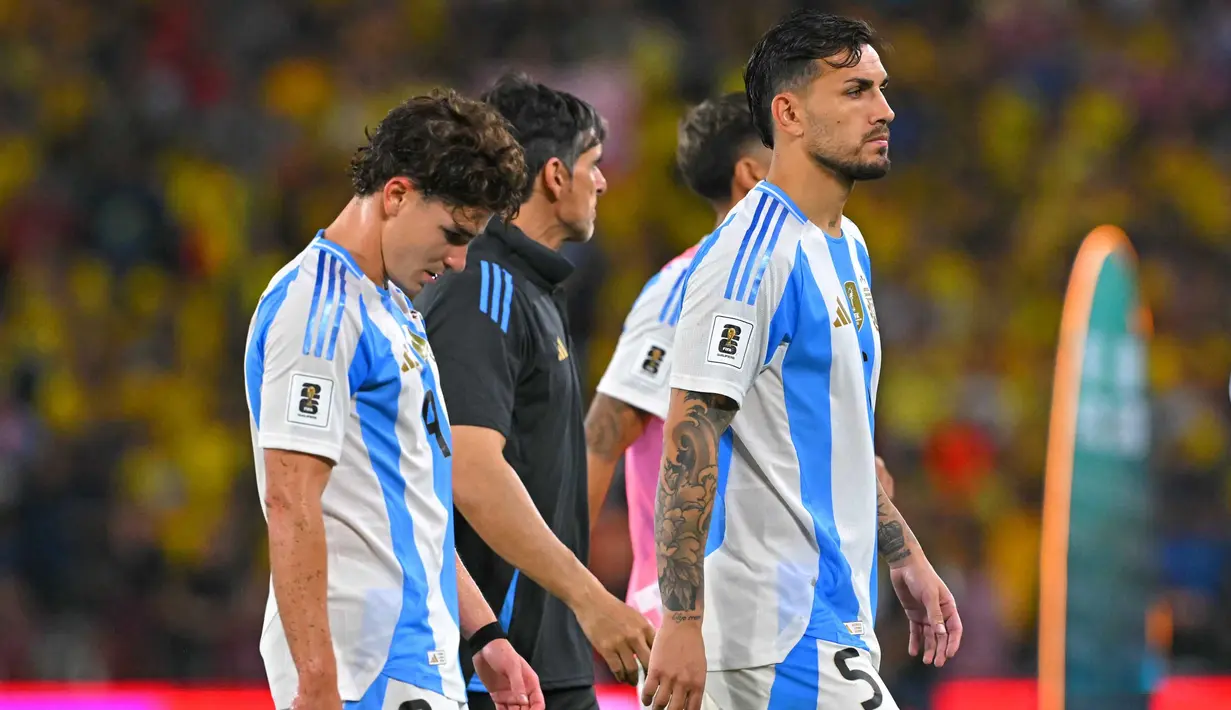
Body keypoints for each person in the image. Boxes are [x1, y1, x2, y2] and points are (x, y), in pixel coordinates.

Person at [641, 11, 963, 710]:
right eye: (855, 91)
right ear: (787, 114)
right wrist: (682, 622)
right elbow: (689, 433)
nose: (884, 109)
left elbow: (831, 442)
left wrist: (902, 551)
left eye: (880, 88)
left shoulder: (847, 244)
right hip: (769, 636)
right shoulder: (751, 253)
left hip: (827, 620)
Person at [244, 90, 545, 710]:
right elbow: (289, 497)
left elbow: (413, 503)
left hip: (415, 655)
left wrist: (484, 633)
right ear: (398, 195)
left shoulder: (392, 308)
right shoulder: (318, 311)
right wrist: (317, 680)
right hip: (361, 667)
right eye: (453, 234)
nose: (459, 262)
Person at [414, 74, 655, 710]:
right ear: (554, 175)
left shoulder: (529, 290)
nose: (602, 182)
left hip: (539, 657)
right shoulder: (483, 287)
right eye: (593, 164)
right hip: (501, 667)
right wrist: (589, 597)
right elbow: (469, 466)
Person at [585, 92, 771, 630]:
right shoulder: (686, 287)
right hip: (690, 623)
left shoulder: (794, 283)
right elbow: (600, 440)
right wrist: (565, 601)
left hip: (776, 616)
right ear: (752, 174)